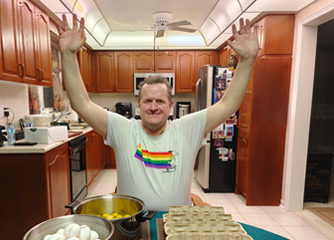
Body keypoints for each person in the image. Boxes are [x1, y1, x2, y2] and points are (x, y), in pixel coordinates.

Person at [57, 14, 259, 211]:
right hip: (131, 225)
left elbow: (228, 105)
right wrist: (68, 55)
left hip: (180, 225)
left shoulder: (187, 128)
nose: (153, 107)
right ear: (139, 104)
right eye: (148, 101)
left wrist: (247, 60)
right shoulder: (122, 129)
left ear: (170, 106)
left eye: (160, 101)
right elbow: (81, 104)